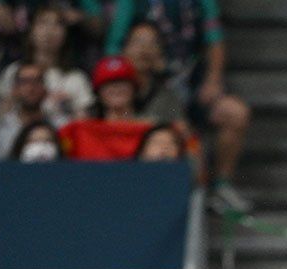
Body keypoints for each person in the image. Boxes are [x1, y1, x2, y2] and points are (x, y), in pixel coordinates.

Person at [106, 0, 251, 210]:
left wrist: (213, 79)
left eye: (150, 44)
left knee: (234, 113)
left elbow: (215, 37)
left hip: (188, 86)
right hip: (146, 85)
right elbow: (114, 43)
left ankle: (219, 186)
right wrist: (121, 77)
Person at [0, 3, 95, 123]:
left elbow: (83, 125)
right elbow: (0, 118)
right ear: (31, 31)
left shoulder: (76, 78)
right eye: (43, 23)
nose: (49, 31)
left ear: (65, 34)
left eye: (57, 24)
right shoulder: (13, 72)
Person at [59, 56, 153, 159]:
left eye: (122, 82)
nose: (116, 88)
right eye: (109, 84)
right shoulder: (79, 132)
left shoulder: (150, 131)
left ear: (134, 89)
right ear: (98, 92)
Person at [0, 62, 54, 159]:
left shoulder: (59, 125)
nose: (30, 88)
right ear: (15, 89)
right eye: (24, 82)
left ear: (45, 89)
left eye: (36, 81)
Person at [122, 20, 185, 124]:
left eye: (152, 43)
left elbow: (187, 136)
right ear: (124, 49)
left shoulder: (168, 97)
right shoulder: (112, 90)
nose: (144, 49)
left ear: (160, 52)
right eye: (138, 42)